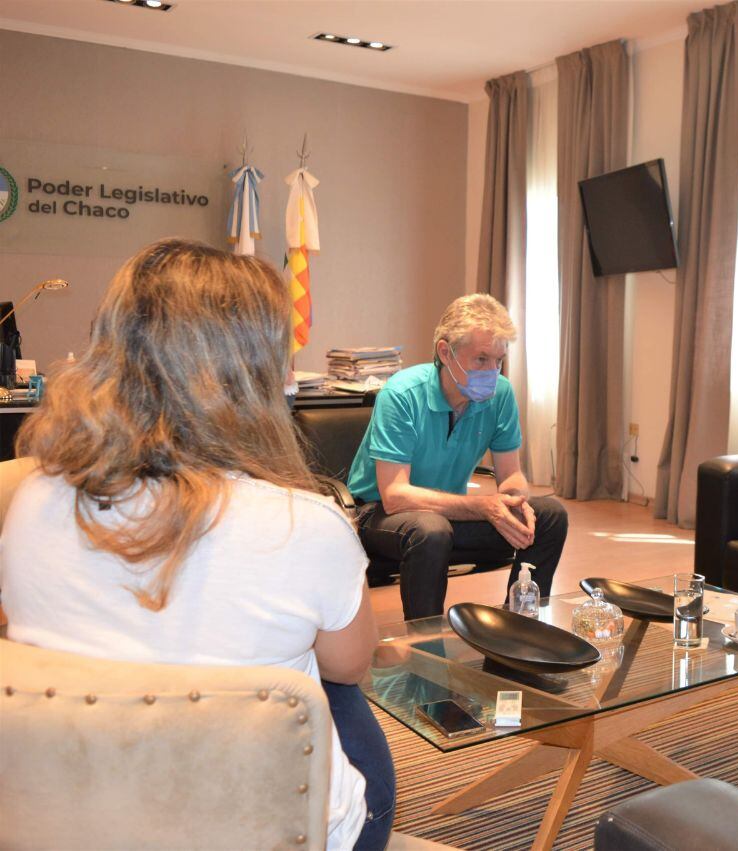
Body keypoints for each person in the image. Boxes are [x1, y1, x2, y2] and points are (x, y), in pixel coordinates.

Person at [0, 240, 394, 851]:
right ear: (252, 375)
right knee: (335, 683)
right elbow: (352, 665)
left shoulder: (30, 501)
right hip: (269, 827)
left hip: (69, 812)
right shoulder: (306, 525)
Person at [346, 293, 567, 621]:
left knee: (549, 515)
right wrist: (484, 507)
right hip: (377, 515)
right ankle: (426, 651)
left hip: (446, 515)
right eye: (481, 359)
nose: (492, 371)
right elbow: (394, 497)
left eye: (498, 360)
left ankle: (519, 630)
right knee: (431, 530)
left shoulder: (501, 394)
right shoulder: (401, 395)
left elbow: (510, 474)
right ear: (445, 352)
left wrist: (516, 502)